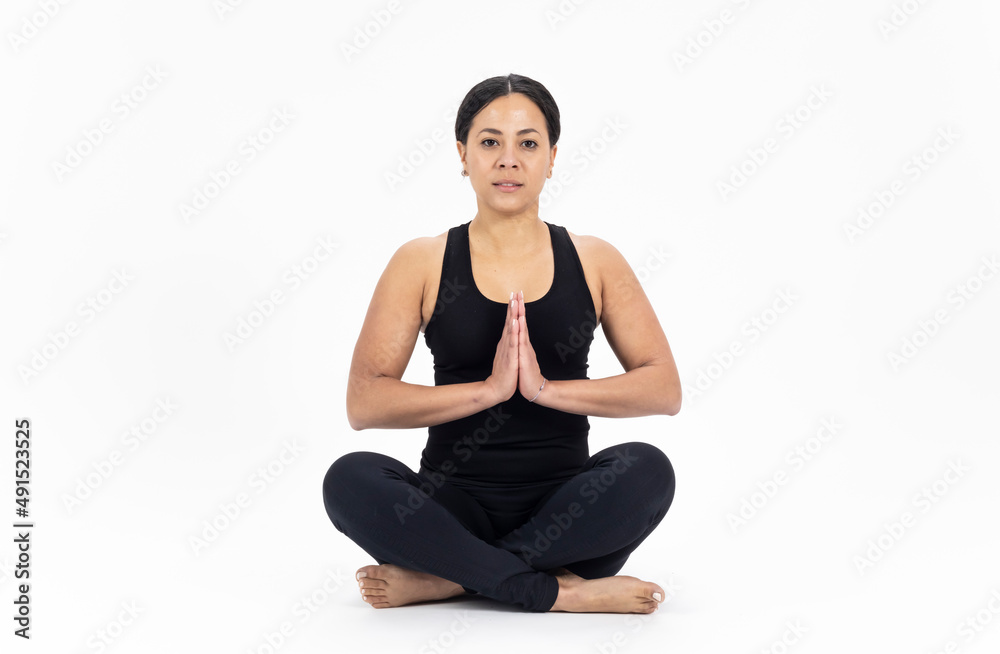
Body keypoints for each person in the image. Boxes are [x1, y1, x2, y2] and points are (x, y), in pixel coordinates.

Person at [322, 73, 681, 614]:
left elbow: (663, 389)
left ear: (552, 157)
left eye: (528, 143)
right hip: (450, 508)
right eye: (490, 142)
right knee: (347, 478)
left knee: (649, 469)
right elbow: (364, 403)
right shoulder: (420, 261)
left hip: (568, 513)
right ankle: (548, 589)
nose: (508, 159)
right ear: (463, 154)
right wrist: (487, 392)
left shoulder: (594, 259)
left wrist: (544, 391)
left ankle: (451, 579)